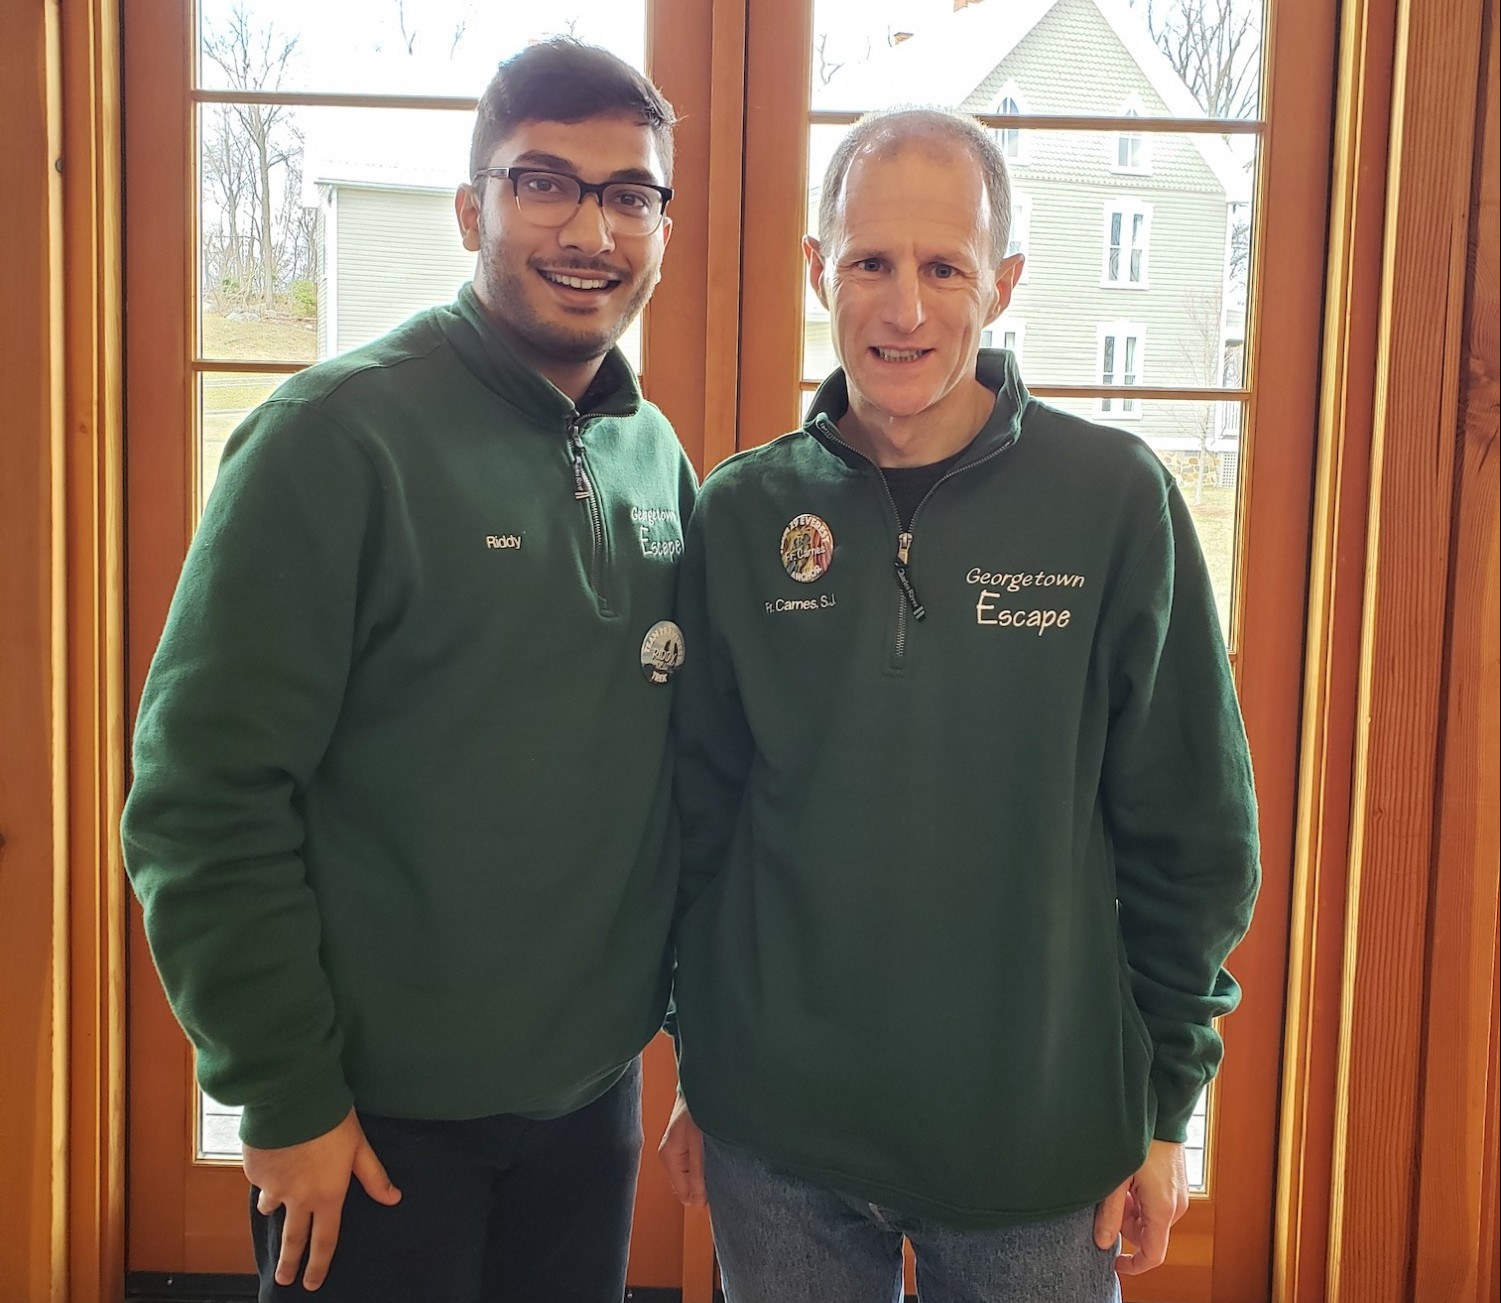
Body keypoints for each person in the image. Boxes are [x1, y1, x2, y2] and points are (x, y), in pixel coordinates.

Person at [123, 38, 695, 1303]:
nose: (591, 227)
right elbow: (199, 798)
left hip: (585, 1100)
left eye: (630, 193)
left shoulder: (657, 458)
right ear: (469, 208)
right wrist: (282, 1092)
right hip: (371, 1121)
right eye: (543, 182)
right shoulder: (332, 442)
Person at [659, 106, 1259, 1302]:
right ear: (817, 266)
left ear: (1005, 282)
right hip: (779, 1140)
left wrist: (1166, 1107)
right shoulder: (738, 515)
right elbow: (696, 824)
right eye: (871, 262)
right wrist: (703, 1062)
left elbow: (1191, 831)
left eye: (945, 267)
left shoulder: (1113, 503)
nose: (905, 309)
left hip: (1038, 1144)